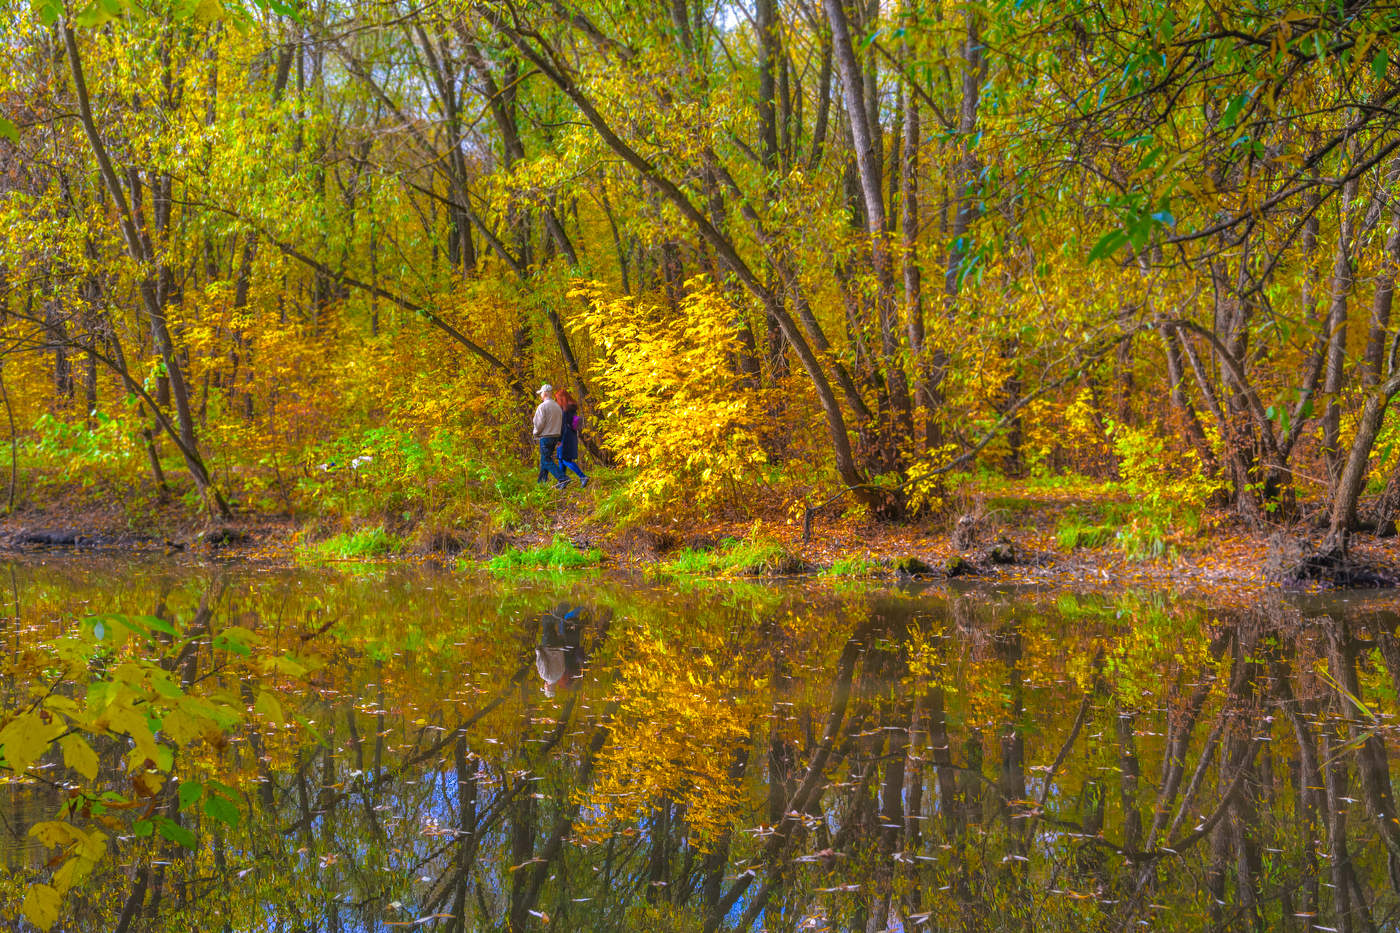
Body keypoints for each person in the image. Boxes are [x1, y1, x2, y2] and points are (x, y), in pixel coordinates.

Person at [535, 602, 587, 696]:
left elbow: (562, 660)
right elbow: (541, 661)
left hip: (559, 646)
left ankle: (560, 609)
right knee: (547, 623)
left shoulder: (559, 675)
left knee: (551, 625)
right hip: (549, 647)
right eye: (545, 688)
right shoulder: (545, 676)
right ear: (547, 687)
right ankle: (562, 607)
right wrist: (538, 650)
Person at [554, 387, 589, 489]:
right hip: (571, 435)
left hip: (565, 436)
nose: (557, 401)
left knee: (565, 459)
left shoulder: (564, 411)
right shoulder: (571, 408)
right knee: (561, 459)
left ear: (562, 399)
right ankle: (562, 481)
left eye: (557, 399)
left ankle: (582, 477)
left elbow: (562, 426)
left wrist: (559, 440)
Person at [532, 384, 566, 486]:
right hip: (555, 436)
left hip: (546, 436)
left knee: (546, 460)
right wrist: (559, 437)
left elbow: (539, 423)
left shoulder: (542, 407)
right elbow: (561, 422)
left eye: (541, 393)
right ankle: (541, 483)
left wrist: (536, 433)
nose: (540, 395)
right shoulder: (557, 406)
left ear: (545, 393)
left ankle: (563, 478)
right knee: (544, 460)